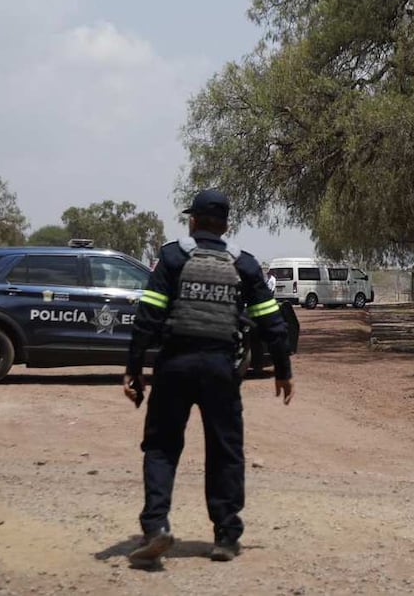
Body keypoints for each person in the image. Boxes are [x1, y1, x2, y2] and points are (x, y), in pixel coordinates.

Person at [123, 188, 295, 567]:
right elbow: (272, 321)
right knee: (225, 451)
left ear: (193, 221)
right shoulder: (244, 265)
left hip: (175, 365)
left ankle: (156, 528)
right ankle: (226, 538)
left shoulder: (171, 257)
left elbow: (148, 316)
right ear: (226, 225)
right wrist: (282, 370)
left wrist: (134, 367)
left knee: (162, 446)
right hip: (221, 370)